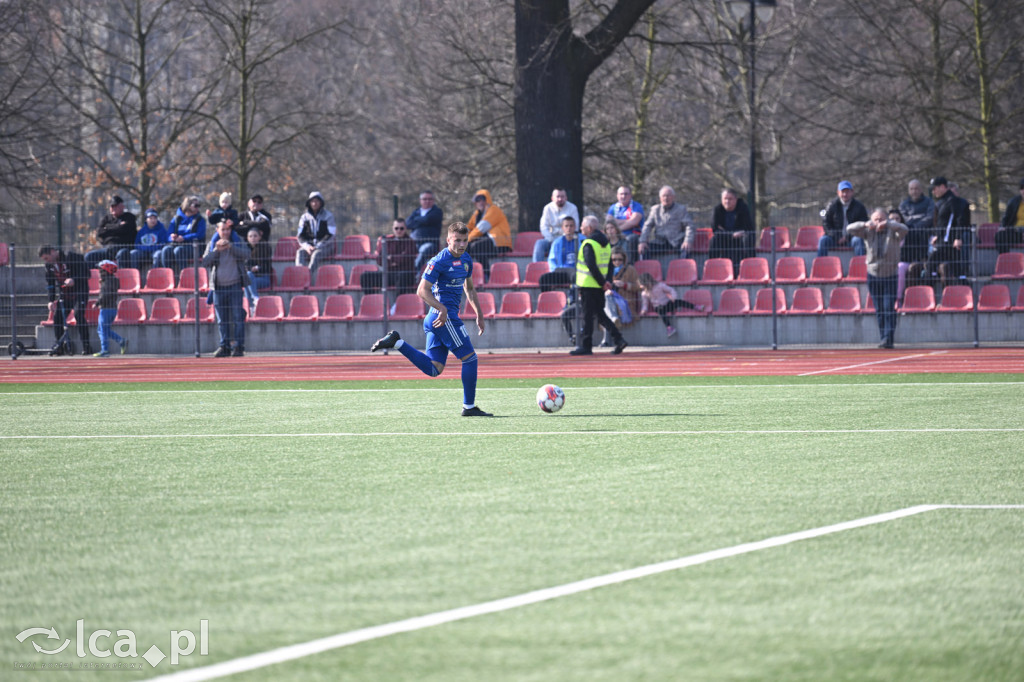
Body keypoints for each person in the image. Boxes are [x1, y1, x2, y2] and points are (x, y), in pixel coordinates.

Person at [371, 222, 493, 417]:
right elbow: (422, 291)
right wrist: (442, 308)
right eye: (457, 241)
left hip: (437, 319)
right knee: (470, 359)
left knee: (434, 369)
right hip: (444, 319)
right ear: (448, 240)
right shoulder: (438, 261)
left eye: (465, 241)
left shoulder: (466, 259)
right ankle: (469, 407)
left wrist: (479, 313)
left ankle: (397, 342)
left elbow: (469, 288)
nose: (461, 245)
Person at [847, 208, 907, 349]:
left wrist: (888, 224)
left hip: (890, 274)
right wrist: (866, 224)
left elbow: (904, 228)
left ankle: (889, 337)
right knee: (879, 309)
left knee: (888, 307)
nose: (878, 222)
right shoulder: (868, 232)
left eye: (881, 219)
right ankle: (883, 337)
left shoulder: (894, 233)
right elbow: (850, 228)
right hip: (873, 275)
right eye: (876, 219)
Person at [570, 215, 627, 355]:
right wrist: (606, 282)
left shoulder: (588, 244)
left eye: (582, 226)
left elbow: (591, 266)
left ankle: (587, 346)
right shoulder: (606, 244)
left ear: (589, 228)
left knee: (588, 316)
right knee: (600, 314)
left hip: (588, 285)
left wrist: (603, 283)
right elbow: (609, 265)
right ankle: (618, 339)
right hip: (599, 286)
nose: (581, 228)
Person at [201, 217, 249, 357]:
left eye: (228, 229)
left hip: (235, 286)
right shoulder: (212, 244)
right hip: (218, 288)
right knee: (222, 320)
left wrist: (231, 247)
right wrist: (216, 250)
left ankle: (239, 347)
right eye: (223, 229)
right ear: (218, 230)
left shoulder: (238, 241)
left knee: (237, 318)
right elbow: (205, 262)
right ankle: (224, 346)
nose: (226, 232)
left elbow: (247, 255)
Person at [38, 245, 91, 355]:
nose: (46, 261)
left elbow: (87, 273)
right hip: (65, 294)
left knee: (78, 315)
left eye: (46, 258)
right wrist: (51, 300)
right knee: (57, 317)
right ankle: (59, 346)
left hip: (79, 292)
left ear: (52, 252)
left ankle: (86, 346)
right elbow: (51, 284)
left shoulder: (72, 257)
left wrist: (74, 280)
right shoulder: (49, 266)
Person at [925, 175, 972, 284]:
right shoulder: (941, 203)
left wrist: (958, 237)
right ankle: (962, 285)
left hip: (949, 241)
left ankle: (929, 288)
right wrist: (936, 234)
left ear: (942, 187)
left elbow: (958, 220)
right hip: (943, 240)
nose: (933, 192)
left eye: (934, 188)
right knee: (956, 268)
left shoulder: (953, 201)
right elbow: (941, 222)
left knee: (932, 262)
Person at [638, 185, 694, 264]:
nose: (666, 198)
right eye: (663, 196)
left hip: (677, 241)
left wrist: (688, 240)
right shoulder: (655, 210)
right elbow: (647, 226)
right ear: (660, 198)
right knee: (644, 249)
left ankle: (683, 273)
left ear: (673, 197)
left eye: (668, 196)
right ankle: (647, 274)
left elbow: (689, 226)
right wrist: (642, 241)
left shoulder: (681, 209)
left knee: (686, 250)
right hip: (660, 242)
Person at [361, 219, 418, 296]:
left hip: (405, 275)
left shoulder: (411, 242)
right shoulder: (388, 241)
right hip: (389, 274)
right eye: (396, 228)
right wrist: (395, 261)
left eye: (401, 228)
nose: (399, 230)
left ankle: (397, 305)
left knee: (402, 276)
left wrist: (390, 258)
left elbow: (405, 258)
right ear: (393, 228)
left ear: (405, 229)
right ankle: (372, 301)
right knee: (365, 276)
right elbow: (379, 260)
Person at [638, 271, 702, 338]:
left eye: (643, 284)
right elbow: (645, 303)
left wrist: (673, 297)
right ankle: (669, 327)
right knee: (660, 311)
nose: (642, 286)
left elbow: (671, 290)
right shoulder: (644, 293)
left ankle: (695, 307)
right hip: (658, 307)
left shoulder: (660, 285)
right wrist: (644, 310)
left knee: (679, 302)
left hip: (667, 303)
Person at [466, 189, 512, 279]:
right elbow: (469, 227)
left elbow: (481, 228)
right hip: (487, 242)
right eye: (477, 200)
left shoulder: (494, 210)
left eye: (483, 199)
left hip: (500, 243)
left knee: (476, 246)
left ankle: (486, 275)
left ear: (487, 200)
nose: (480, 203)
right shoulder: (477, 214)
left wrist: (466, 239)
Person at [709, 188, 755, 276]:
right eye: (725, 199)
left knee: (748, 238)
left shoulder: (743, 208)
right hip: (725, 239)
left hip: (740, 239)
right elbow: (715, 229)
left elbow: (747, 227)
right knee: (714, 240)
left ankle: (749, 266)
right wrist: (731, 235)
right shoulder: (717, 210)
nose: (727, 201)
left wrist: (726, 231)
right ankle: (712, 267)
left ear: (735, 199)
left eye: (730, 199)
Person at [155, 195, 207, 272]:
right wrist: (172, 237)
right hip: (176, 244)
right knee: (166, 250)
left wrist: (184, 238)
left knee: (178, 250)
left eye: (198, 205)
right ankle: (169, 276)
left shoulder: (200, 220)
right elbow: (168, 234)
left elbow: (200, 234)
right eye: (196, 205)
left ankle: (185, 276)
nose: (198, 208)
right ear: (188, 206)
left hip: (193, 246)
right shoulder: (176, 219)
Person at [601, 246, 640, 345]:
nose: (617, 262)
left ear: (624, 259)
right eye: (614, 259)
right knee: (606, 298)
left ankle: (606, 340)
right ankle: (614, 319)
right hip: (609, 298)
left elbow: (638, 287)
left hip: (625, 300)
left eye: (620, 259)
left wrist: (625, 285)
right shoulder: (606, 269)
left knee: (606, 310)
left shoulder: (630, 269)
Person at [85, 195, 138, 268]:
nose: (113, 208)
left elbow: (124, 229)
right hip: (108, 249)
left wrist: (107, 227)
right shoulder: (106, 218)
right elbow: (100, 232)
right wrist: (118, 226)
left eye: (116, 206)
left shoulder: (129, 217)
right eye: (111, 206)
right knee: (89, 256)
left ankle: (122, 278)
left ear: (122, 206)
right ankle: (98, 278)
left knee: (122, 254)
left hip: (123, 249)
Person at [819, 180, 868, 257]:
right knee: (823, 240)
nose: (845, 194)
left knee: (858, 240)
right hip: (834, 239)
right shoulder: (831, 205)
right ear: (838, 193)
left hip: (852, 238)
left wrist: (847, 237)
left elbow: (863, 224)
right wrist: (837, 237)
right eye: (843, 192)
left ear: (852, 192)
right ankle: (821, 265)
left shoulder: (859, 207)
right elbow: (826, 224)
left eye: (847, 191)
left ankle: (861, 265)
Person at [295, 190, 337, 279]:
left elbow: (331, 234)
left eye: (317, 201)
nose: (314, 203)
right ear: (309, 203)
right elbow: (300, 235)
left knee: (316, 254)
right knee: (300, 252)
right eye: (312, 201)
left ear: (321, 202)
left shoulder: (328, 216)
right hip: (309, 247)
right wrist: (307, 246)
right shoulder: (304, 217)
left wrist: (317, 246)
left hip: (325, 247)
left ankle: (307, 276)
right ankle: (299, 275)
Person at [93, 260, 128, 357]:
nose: (99, 272)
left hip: (106, 309)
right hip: (112, 309)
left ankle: (105, 350)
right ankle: (121, 341)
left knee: (102, 330)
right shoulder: (112, 281)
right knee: (104, 329)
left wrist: (97, 303)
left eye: (100, 270)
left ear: (105, 270)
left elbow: (104, 295)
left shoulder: (107, 282)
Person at [535, 188, 580, 262]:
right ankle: (537, 268)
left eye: (562, 196)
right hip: (551, 239)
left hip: (567, 239)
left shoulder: (573, 208)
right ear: (552, 198)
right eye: (558, 196)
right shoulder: (547, 208)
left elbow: (575, 227)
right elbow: (543, 226)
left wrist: (563, 238)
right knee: (539, 244)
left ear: (566, 198)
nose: (560, 199)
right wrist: (551, 239)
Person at [897, 179, 935, 265]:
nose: (914, 191)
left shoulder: (929, 202)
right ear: (908, 190)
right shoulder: (904, 204)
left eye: (916, 188)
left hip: (925, 234)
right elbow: (903, 218)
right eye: (912, 189)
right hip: (908, 235)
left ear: (921, 189)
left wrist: (915, 223)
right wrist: (920, 216)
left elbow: (930, 217)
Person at [538, 216, 580, 293]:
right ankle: (547, 300)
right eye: (566, 226)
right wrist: (555, 270)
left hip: (576, 271)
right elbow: (551, 260)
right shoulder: (557, 242)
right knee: (544, 279)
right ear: (562, 228)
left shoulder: (580, 240)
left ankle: (574, 300)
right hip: (562, 272)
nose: (569, 228)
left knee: (575, 276)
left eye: (571, 226)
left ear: (575, 227)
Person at [407, 190, 444, 274]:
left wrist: (416, 220)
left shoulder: (437, 212)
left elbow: (427, 219)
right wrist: (422, 221)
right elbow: (408, 223)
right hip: (414, 242)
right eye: (425, 199)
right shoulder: (416, 211)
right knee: (405, 253)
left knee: (423, 252)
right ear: (420, 200)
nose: (427, 201)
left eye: (430, 199)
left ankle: (414, 273)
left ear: (433, 200)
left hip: (430, 243)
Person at [244, 227, 272, 308]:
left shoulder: (265, 248)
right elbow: (245, 265)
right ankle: (253, 305)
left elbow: (266, 267)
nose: (253, 238)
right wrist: (250, 268)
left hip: (264, 278)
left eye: (255, 236)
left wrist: (257, 268)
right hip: (251, 278)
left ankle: (253, 302)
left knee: (247, 279)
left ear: (259, 237)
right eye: (250, 236)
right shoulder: (246, 249)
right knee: (247, 278)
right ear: (247, 238)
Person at [996, 177, 1024, 254]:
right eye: (1022, 188)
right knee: (1000, 236)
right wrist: (1002, 226)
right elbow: (1006, 217)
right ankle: (1005, 261)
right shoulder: (1013, 202)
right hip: (1016, 232)